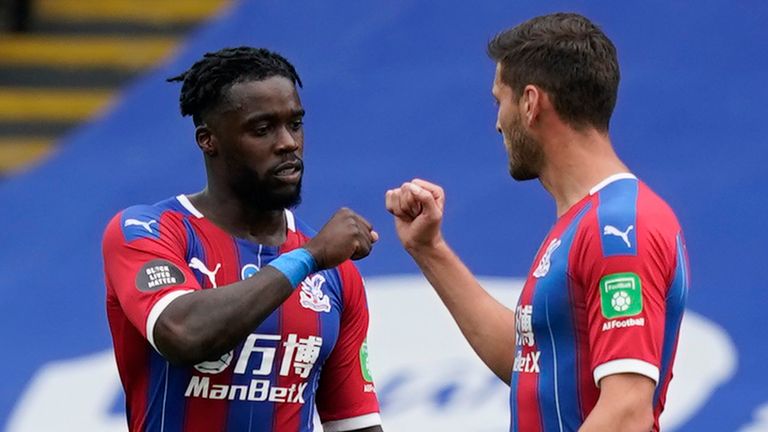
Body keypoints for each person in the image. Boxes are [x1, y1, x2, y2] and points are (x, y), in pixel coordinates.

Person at [386, 13, 688, 432]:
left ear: (530, 103)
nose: (497, 123)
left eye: (499, 101)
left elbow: (626, 413)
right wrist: (429, 249)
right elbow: (532, 362)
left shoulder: (619, 225)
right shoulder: (586, 221)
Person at [103, 47, 383, 432]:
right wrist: (310, 256)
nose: (288, 143)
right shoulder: (149, 231)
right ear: (208, 140)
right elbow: (183, 333)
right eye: (262, 128)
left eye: (295, 124)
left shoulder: (336, 274)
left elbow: (356, 425)